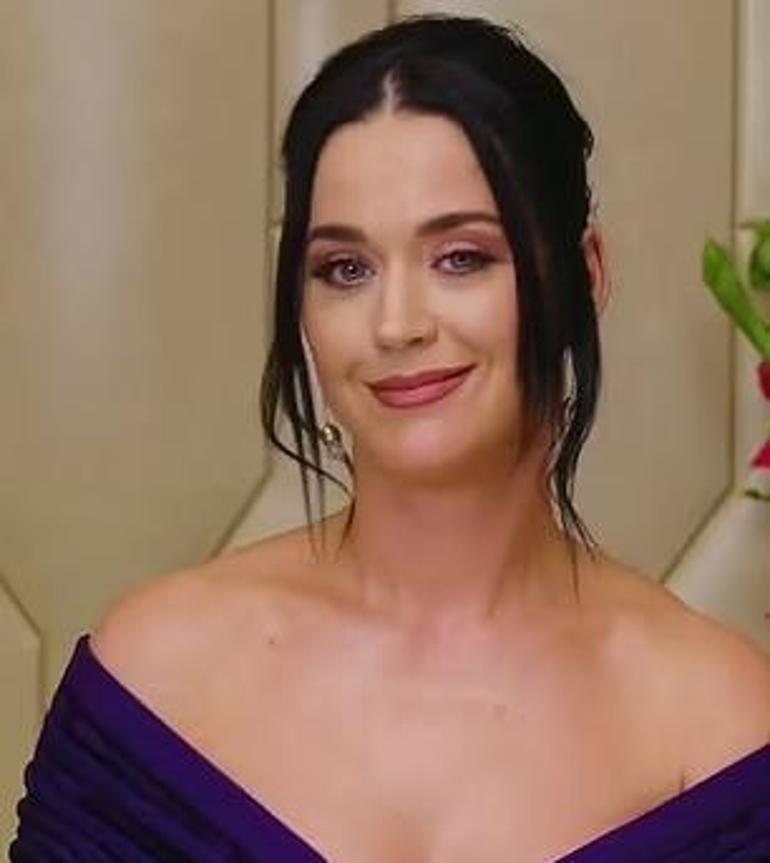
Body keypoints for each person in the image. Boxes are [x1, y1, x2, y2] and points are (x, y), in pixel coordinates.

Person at [10, 13, 770, 862]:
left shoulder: (719, 724)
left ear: (583, 275)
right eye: (346, 269)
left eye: (461, 258)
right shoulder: (157, 678)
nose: (397, 323)